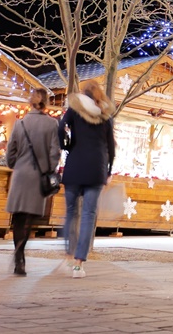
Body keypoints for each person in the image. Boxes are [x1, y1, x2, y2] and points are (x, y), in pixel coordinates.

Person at [58, 80, 115, 278]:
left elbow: (61, 128)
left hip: (75, 166)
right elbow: (111, 146)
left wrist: (67, 147)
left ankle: (68, 255)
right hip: (96, 168)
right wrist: (109, 169)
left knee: (71, 212)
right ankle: (78, 264)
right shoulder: (106, 114)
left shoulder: (74, 110)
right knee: (89, 215)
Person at [5, 87, 61, 276]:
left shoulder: (20, 124)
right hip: (38, 176)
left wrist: (15, 164)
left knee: (19, 217)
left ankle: (19, 256)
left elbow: (10, 151)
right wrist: (49, 169)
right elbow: (55, 152)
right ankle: (21, 252)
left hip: (21, 174)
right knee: (30, 218)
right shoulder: (52, 125)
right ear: (46, 102)